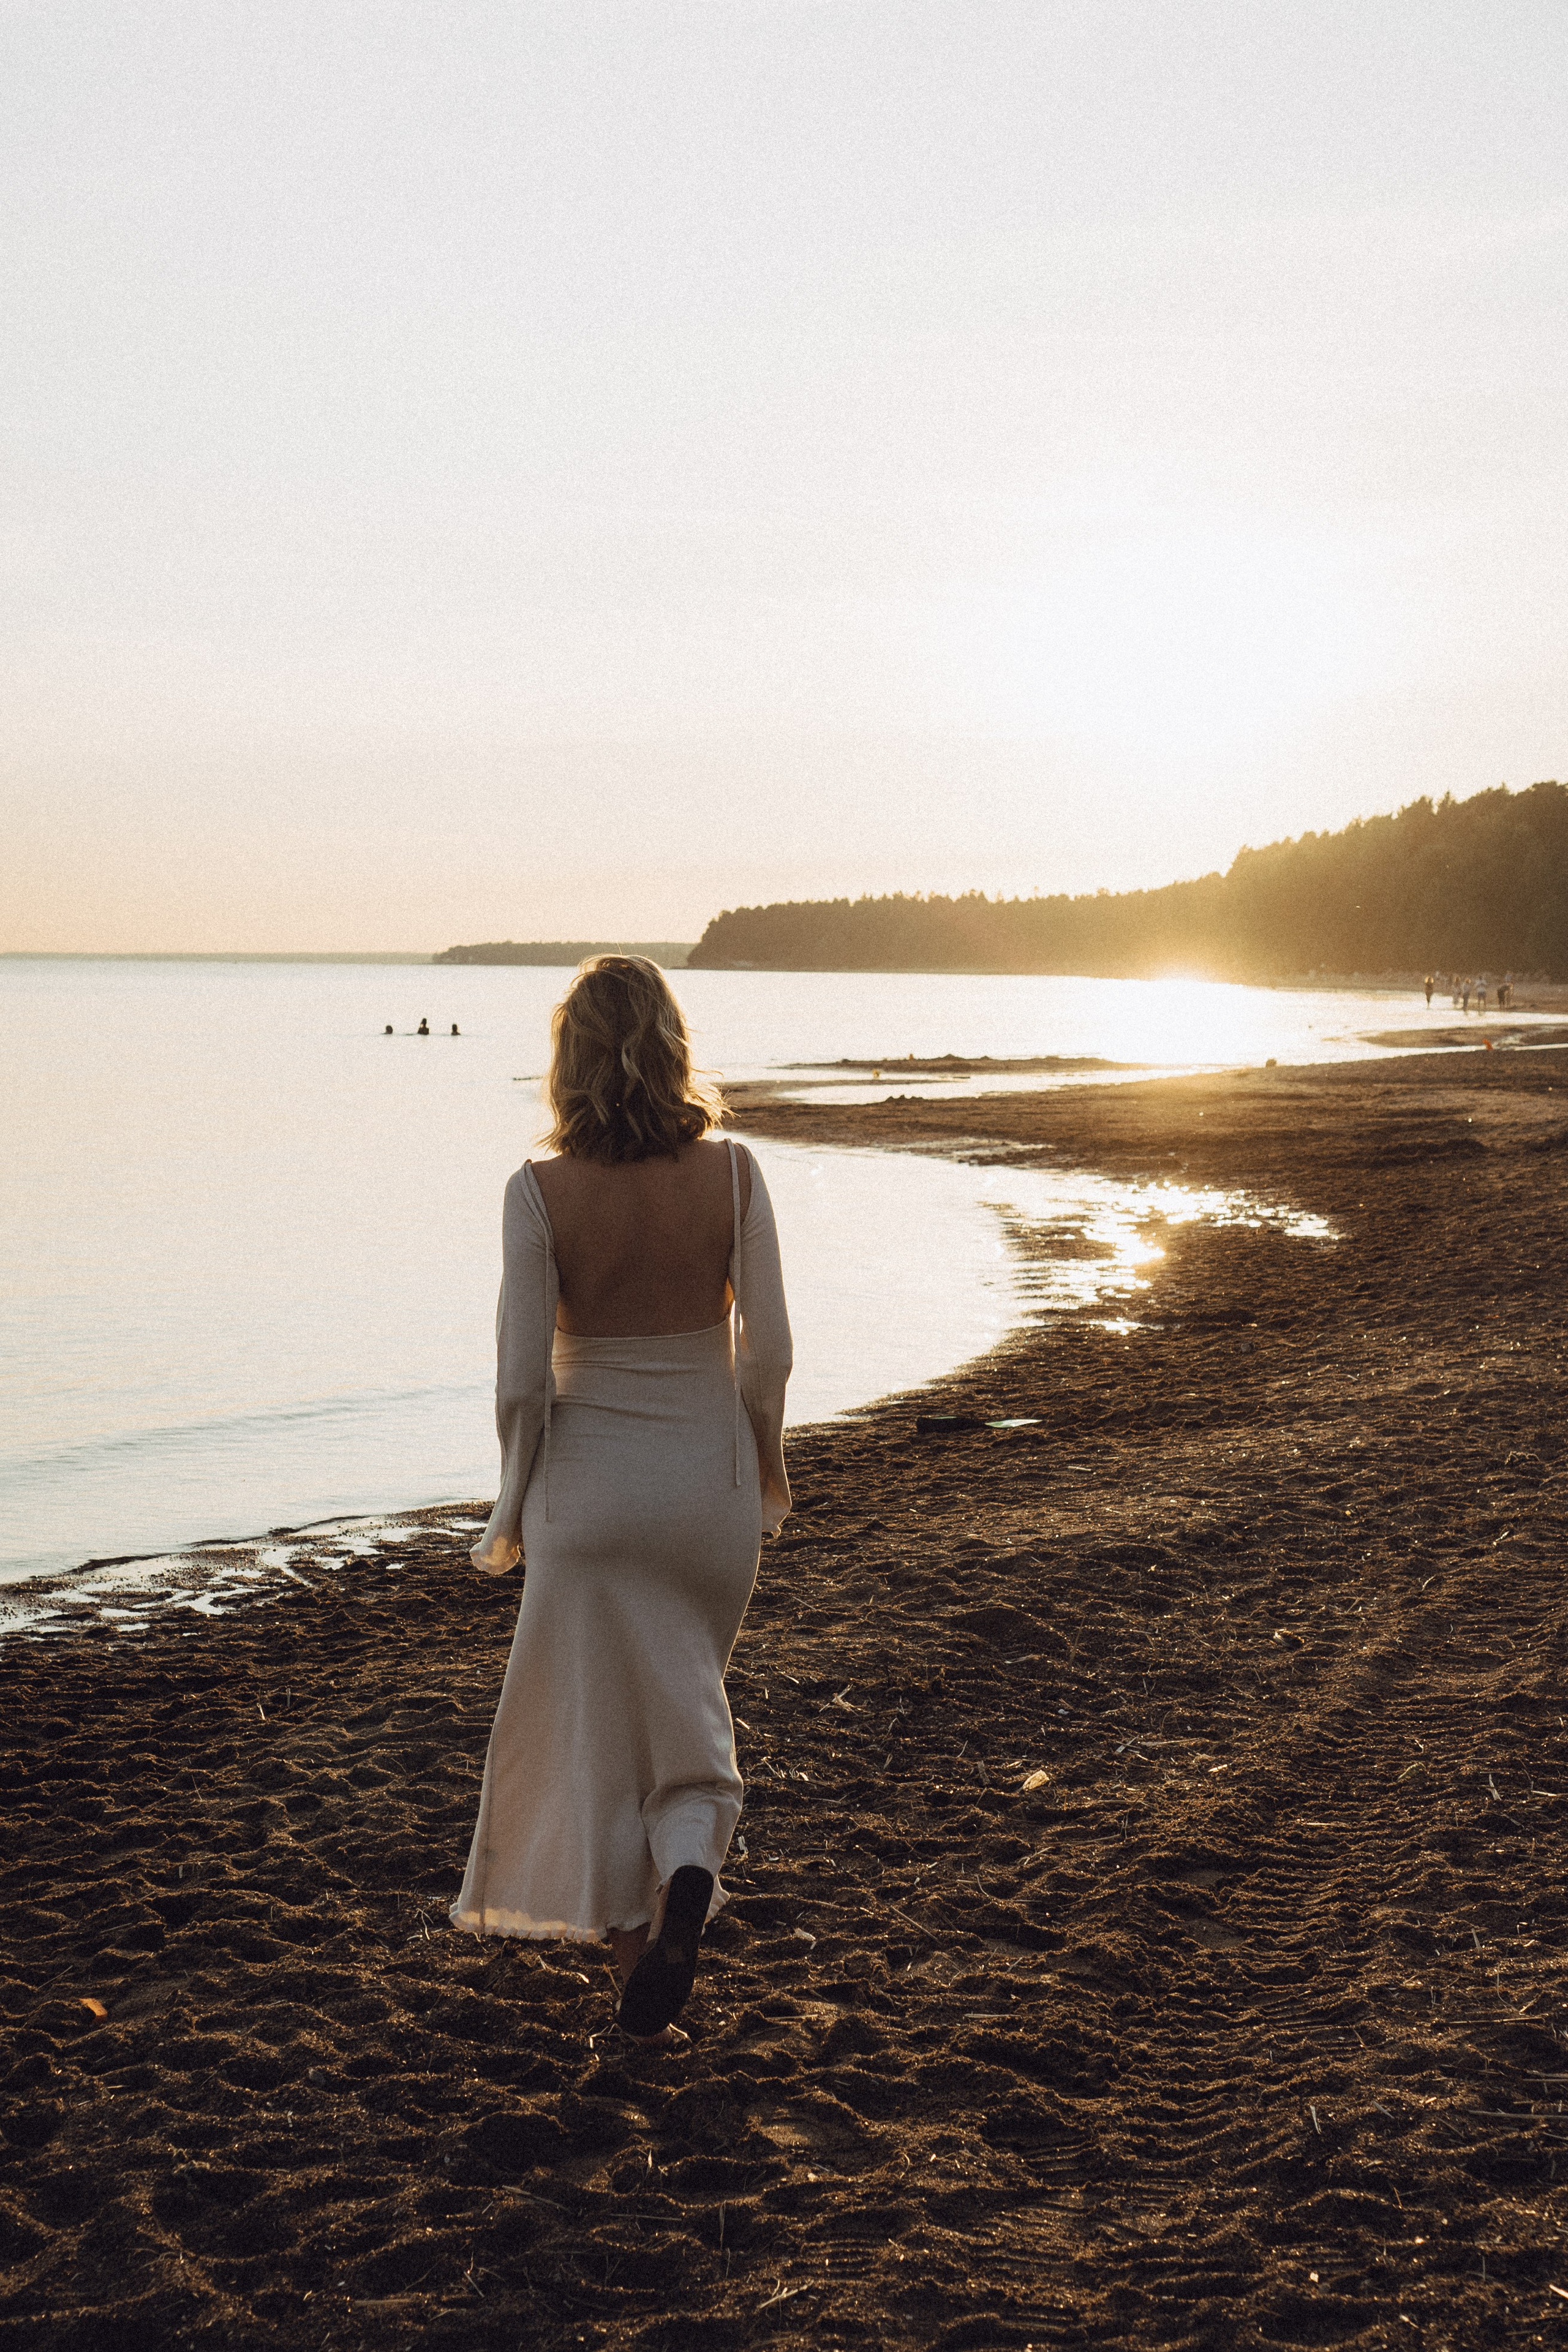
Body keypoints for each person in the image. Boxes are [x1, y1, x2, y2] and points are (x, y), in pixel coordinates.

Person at [452, 957, 793, 2040]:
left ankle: (641, 1967)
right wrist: (765, 1464)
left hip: (589, 1503)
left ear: (570, 1058)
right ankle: (685, 1873)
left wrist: (511, 1505)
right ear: (673, 1045)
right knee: (684, 1708)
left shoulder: (536, 1193)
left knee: (610, 1735)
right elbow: (767, 1356)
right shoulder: (734, 1176)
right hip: (707, 1493)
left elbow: (519, 1381)